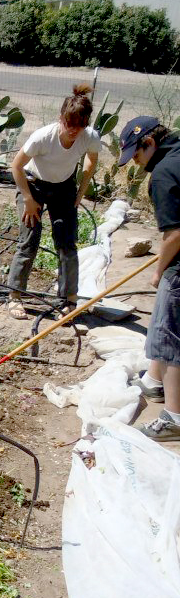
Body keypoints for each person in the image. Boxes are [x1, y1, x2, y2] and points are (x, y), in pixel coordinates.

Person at [5, 84, 101, 319]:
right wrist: (28, 199)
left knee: (66, 243)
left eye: (80, 126)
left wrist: (80, 192)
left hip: (64, 188)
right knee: (30, 239)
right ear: (62, 118)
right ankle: (15, 296)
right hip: (33, 185)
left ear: (85, 124)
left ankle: (69, 300)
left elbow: (91, 161)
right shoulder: (43, 137)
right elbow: (16, 166)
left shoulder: (88, 137)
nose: (74, 130)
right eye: (70, 124)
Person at [118, 116, 180, 441]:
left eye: (137, 155)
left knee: (170, 337)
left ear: (149, 143)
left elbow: (175, 234)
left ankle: (173, 418)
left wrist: (159, 270)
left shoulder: (164, 173)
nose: (136, 163)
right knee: (162, 323)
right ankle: (154, 382)